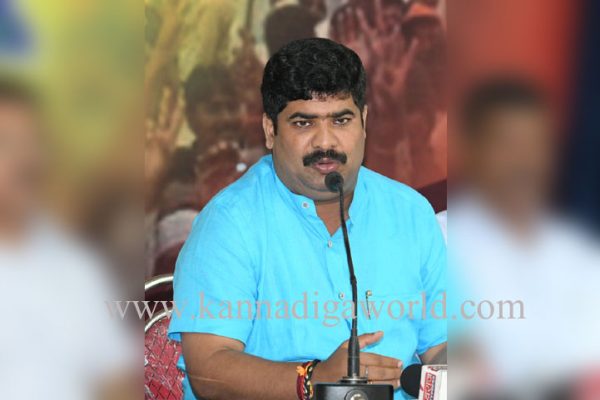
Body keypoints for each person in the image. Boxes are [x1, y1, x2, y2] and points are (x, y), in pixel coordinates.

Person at [169, 38, 447, 400]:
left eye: (341, 120)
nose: (325, 142)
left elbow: (441, 344)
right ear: (270, 130)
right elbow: (208, 371)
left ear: (364, 121)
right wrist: (312, 379)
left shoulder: (410, 211)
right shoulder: (229, 223)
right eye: (303, 123)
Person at [450, 76, 600, 398]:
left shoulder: (579, 252)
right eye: (507, 145)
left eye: (537, 144)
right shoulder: (437, 243)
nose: (525, 162)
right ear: (470, 149)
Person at [0, 78, 136, 399]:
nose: (26, 160)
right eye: (7, 143)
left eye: (33, 142)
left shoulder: (74, 263)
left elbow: (114, 378)